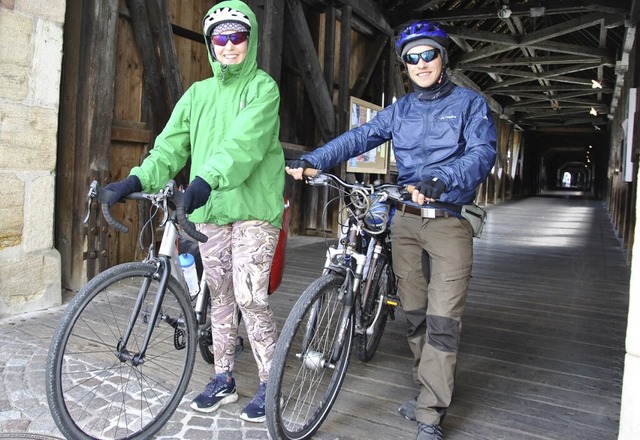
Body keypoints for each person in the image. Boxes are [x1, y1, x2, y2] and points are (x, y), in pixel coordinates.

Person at [286, 21, 497, 440]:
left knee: (442, 319)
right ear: (406, 65)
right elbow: (359, 137)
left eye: (428, 54)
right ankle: (426, 390)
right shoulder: (400, 110)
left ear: (442, 58)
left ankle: (431, 414)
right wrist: (318, 158)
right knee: (414, 315)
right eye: (412, 58)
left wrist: (444, 178)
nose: (420, 63)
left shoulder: (470, 106)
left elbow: (482, 152)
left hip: (448, 220)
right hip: (404, 221)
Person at [103, 0, 284, 423]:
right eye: (218, 37)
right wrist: (134, 180)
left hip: (254, 208)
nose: (228, 45)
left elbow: (245, 144)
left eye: (237, 35)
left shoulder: (263, 88)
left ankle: (269, 384)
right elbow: (169, 147)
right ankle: (223, 377)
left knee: (250, 295)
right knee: (217, 293)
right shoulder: (197, 94)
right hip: (211, 210)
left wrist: (202, 181)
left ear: (250, 39)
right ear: (209, 43)